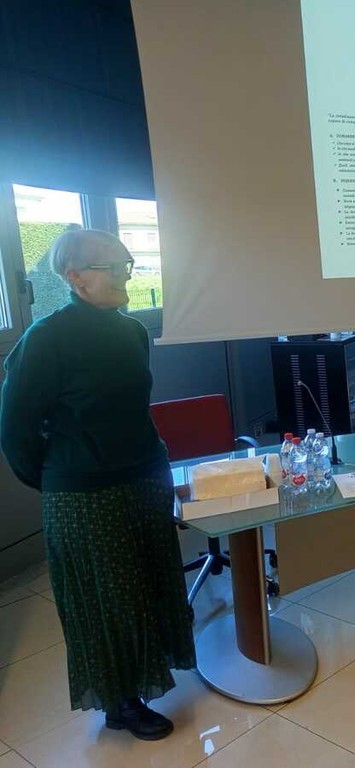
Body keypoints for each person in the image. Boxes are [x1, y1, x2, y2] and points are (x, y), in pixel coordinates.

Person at [0, 229, 195, 740]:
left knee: (148, 584)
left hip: (144, 478)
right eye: (114, 267)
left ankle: (146, 676)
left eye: (128, 264)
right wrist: (59, 477)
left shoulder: (132, 332)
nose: (126, 275)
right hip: (83, 496)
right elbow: (15, 431)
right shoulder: (45, 339)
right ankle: (120, 703)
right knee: (108, 602)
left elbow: (131, 410)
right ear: (75, 277)